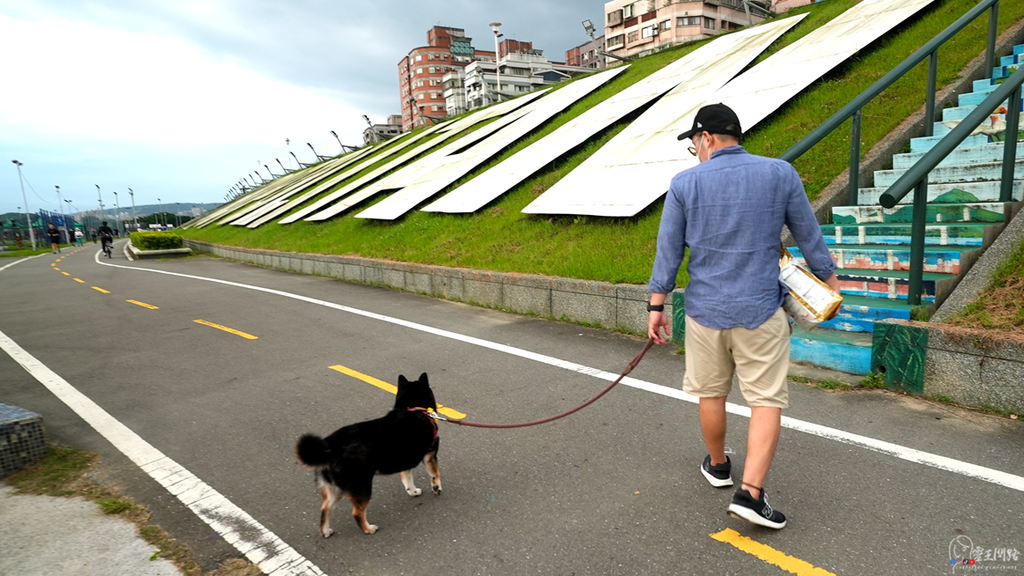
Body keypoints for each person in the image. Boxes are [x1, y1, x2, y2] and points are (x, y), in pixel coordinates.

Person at [647, 103, 839, 530]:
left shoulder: (684, 184)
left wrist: (656, 306)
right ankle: (750, 493)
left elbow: (669, 252)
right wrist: (830, 283)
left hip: (704, 312)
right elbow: (809, 234)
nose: (695, 150)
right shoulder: (779, 174)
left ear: (707, 138)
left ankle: (718, 466)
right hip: (760, 309)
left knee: (710, 392)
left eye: (694, 142)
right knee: (765, 399)